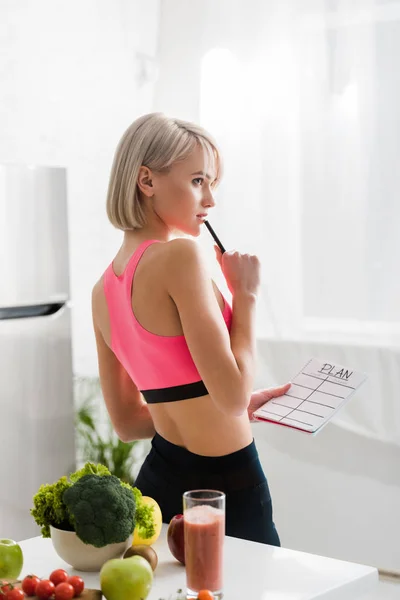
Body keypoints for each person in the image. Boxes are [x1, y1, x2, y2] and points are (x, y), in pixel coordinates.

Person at [91, 112, 290, 545]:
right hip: (225, 486)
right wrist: (246, 293)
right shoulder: (180, 257)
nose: (210, 200)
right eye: (198, 180)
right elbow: (234, 396)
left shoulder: (102, 290)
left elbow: (127, 423)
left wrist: (208, 407)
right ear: (147, 180)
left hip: (160, 481)